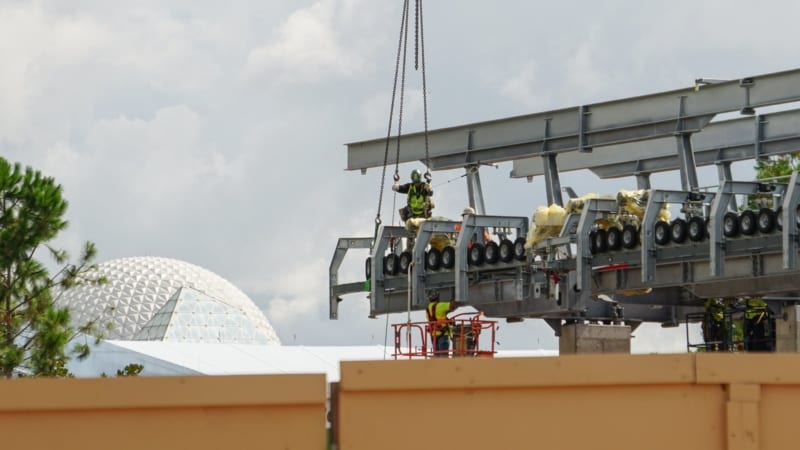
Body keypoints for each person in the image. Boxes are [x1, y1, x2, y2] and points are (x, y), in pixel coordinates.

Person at [425, 290, 458, 357]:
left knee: (437, 357)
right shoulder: (440, 305)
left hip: (434, 336)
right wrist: (454, 298)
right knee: (444, 357)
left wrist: (446, 313)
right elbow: (453, 306)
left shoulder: (428, 309)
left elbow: (437, 316)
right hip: (443, 335)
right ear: (438, 297)